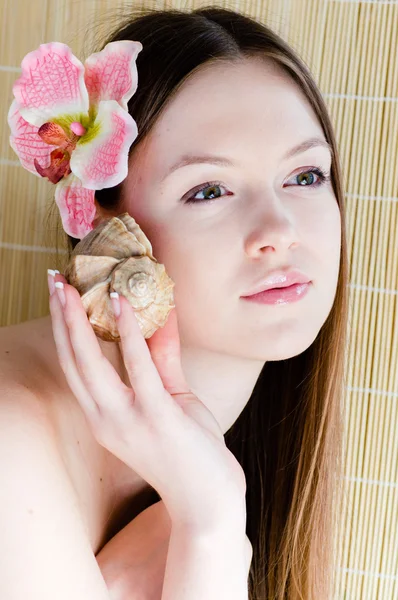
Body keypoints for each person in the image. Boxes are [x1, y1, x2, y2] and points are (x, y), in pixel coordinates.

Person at [0, 5, 350, 600]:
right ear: (109, 226)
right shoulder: (12, 447)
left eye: (306, 176)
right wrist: (211, 527)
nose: (281, 227)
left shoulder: (208, 468)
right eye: (209, 189)